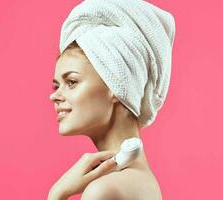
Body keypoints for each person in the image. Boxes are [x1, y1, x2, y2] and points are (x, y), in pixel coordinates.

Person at [48, 0, 175, 199]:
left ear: (116, 85)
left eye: (71, 82)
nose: (54, 96)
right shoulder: (144, 183)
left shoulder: (104, 190)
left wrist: (57, 194)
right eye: (56, 86)